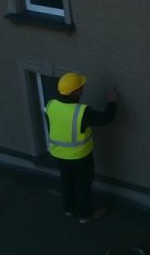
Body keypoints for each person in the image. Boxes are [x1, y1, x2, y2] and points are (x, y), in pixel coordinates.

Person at [45, 72, 118, 223]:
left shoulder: (51, 104)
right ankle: (86, 214)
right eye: (80, 87)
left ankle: (69, 209)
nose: (82, 89)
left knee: (66, 181)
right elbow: (106, 119)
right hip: (79, 156)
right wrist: (112, 103)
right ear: (75, 92)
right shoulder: (82, 112)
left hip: (58, 154)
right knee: (83, 184)